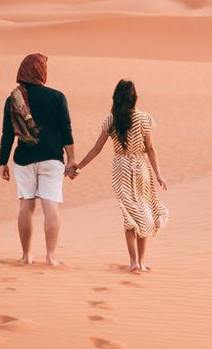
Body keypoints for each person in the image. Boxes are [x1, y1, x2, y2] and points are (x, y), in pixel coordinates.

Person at [71, 78, 168, 273]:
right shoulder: (144, 118)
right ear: (134, 98)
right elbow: (149, 148)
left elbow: (97, 149)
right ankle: (140, 261)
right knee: (143, 210)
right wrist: (158, 174)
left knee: (129, 213)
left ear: (115, 97)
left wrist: (79, 166)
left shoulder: (111, 119)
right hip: (141, 168)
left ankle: (133, 262)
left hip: (121, 169)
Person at [0, 52, 76, 265]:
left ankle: (26, 256)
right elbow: (66, 130)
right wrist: (71, 159)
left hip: (24, 158)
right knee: (50, 206)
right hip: (52, 158)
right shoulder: (57, 96)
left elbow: (8, 133)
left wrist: (2, 162)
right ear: (41, 71)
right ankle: (50, 256)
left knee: (26, 206)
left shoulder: (13, 99)